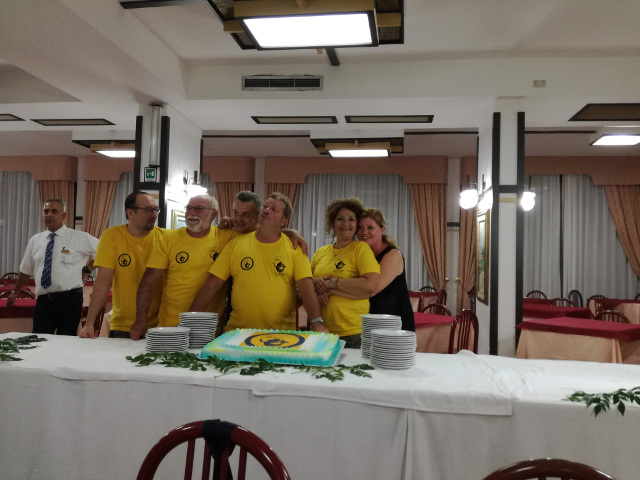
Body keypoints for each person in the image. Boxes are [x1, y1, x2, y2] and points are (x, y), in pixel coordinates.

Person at [190, 193, 326, 333]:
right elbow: (212, 284)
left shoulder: (295, 247)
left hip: (280, 334)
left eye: (274, 209)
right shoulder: (235, 243)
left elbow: (306, 287)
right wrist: (190, 317)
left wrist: (317, 322)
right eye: (265, 206)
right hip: (238, 333)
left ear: (284, 222)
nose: (266, 210)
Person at [132, 194, 237, 340]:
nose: (192, 213)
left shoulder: (227, 237)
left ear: (213, 214)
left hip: (208, 328)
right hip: (170, 325)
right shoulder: (168, 239)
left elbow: (254, 234)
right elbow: (149, 281)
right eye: (188, 208)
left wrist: (234, 223)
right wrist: (140, 319)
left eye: (199, 208)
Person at [79, 191, 164, 339]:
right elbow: (103, 282)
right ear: (130, 212)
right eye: (148, 210)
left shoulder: (165, 238)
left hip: (159, 326)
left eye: (155, 209)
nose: (154, 215)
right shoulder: (112, 236)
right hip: (123, 325)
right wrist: (89, 323)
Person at [6, 198, 98, 335]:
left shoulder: (79, 237)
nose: (49, 215)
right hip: (44, 300)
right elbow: (26, 270)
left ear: (63, 215)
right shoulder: (36, 240)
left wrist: (87, 268)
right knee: (39, 340)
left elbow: (105, 252)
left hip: (70, 299)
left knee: (66, 340)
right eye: (46, 211)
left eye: (54, 211)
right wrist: (15, 291)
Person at [311, 198, 380, 348]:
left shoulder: (360, 249)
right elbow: (303, 287)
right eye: (340, 218)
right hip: (322, 330)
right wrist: (316, 285)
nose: (345, 224)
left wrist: (333, 283)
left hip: (352, 333)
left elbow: (371, 286)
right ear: (332, 222)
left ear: (357, 223)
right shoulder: (320, 252)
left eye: (351, 219)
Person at [357, 208, 415, 331]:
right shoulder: (361, 256)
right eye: (360, 227)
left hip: (394, 325)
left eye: (370, 228)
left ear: (382, 229)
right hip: (371, 321)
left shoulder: (393, 255)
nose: (364, 232)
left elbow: (372, 289)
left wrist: (334, 286)